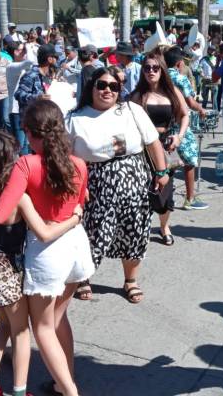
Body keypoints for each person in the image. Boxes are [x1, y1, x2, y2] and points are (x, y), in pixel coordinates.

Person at [0, 102, 91, 396]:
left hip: (47, 253)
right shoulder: (79, 164)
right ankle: (64, 383)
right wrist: (73, 218)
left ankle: (71, 392)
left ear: (29, 132)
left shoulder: (27, 164)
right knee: (59, 319)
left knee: (43, 328)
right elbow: (80, 203)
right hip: (76, 245)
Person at [66, 68, 170, 304]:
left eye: (114, 87)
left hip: (134, 179)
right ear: (91, 87)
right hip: (94, 184)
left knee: (135, 231)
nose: (107, 91)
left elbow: (152, 141)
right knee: (91, 233)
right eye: (102, 85)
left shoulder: (131, 110)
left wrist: (162, 172)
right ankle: (83, 278)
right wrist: (77, 186)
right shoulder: (74, 118)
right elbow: (65, 156)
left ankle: (131, 280)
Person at [130, 52, 190, 247]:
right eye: (147, 68)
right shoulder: (137, 96)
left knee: (165, 191)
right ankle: (142, 228)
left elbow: (185, 115)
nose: (151, 71)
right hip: (143, 148)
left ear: (162, 70)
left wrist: (179, 136)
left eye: (155, 68)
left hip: (166, 146)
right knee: (143, 190)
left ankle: (165, 227)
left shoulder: (172, 92)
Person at [164, 47, 209, 210]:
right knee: (190, 160)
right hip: (178, 124)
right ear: (178, 63)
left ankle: (166, 197)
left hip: (162, 125)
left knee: (166, 162)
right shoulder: (180, 78)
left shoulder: (159, 76)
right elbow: (190, 103)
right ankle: (190, 198)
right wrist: (202, 109)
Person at [5, 42, 34, 154]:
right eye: (23, 50)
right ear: (15, 52)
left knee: (27, 143)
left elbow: (33, 63)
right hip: (16, 110)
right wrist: (28, 48)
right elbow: (30, 61)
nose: (25, 53)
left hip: (26, 109)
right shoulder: (12, 66)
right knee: (20, 144)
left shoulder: (22, 66)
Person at [14, 44, 59, 115]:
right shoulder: (31, 75)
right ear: (49, 59)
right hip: (33, 119)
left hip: (48, 117)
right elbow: (18, 94)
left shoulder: (52, 75)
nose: (57, 60)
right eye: (55, 57)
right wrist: (37, 98)